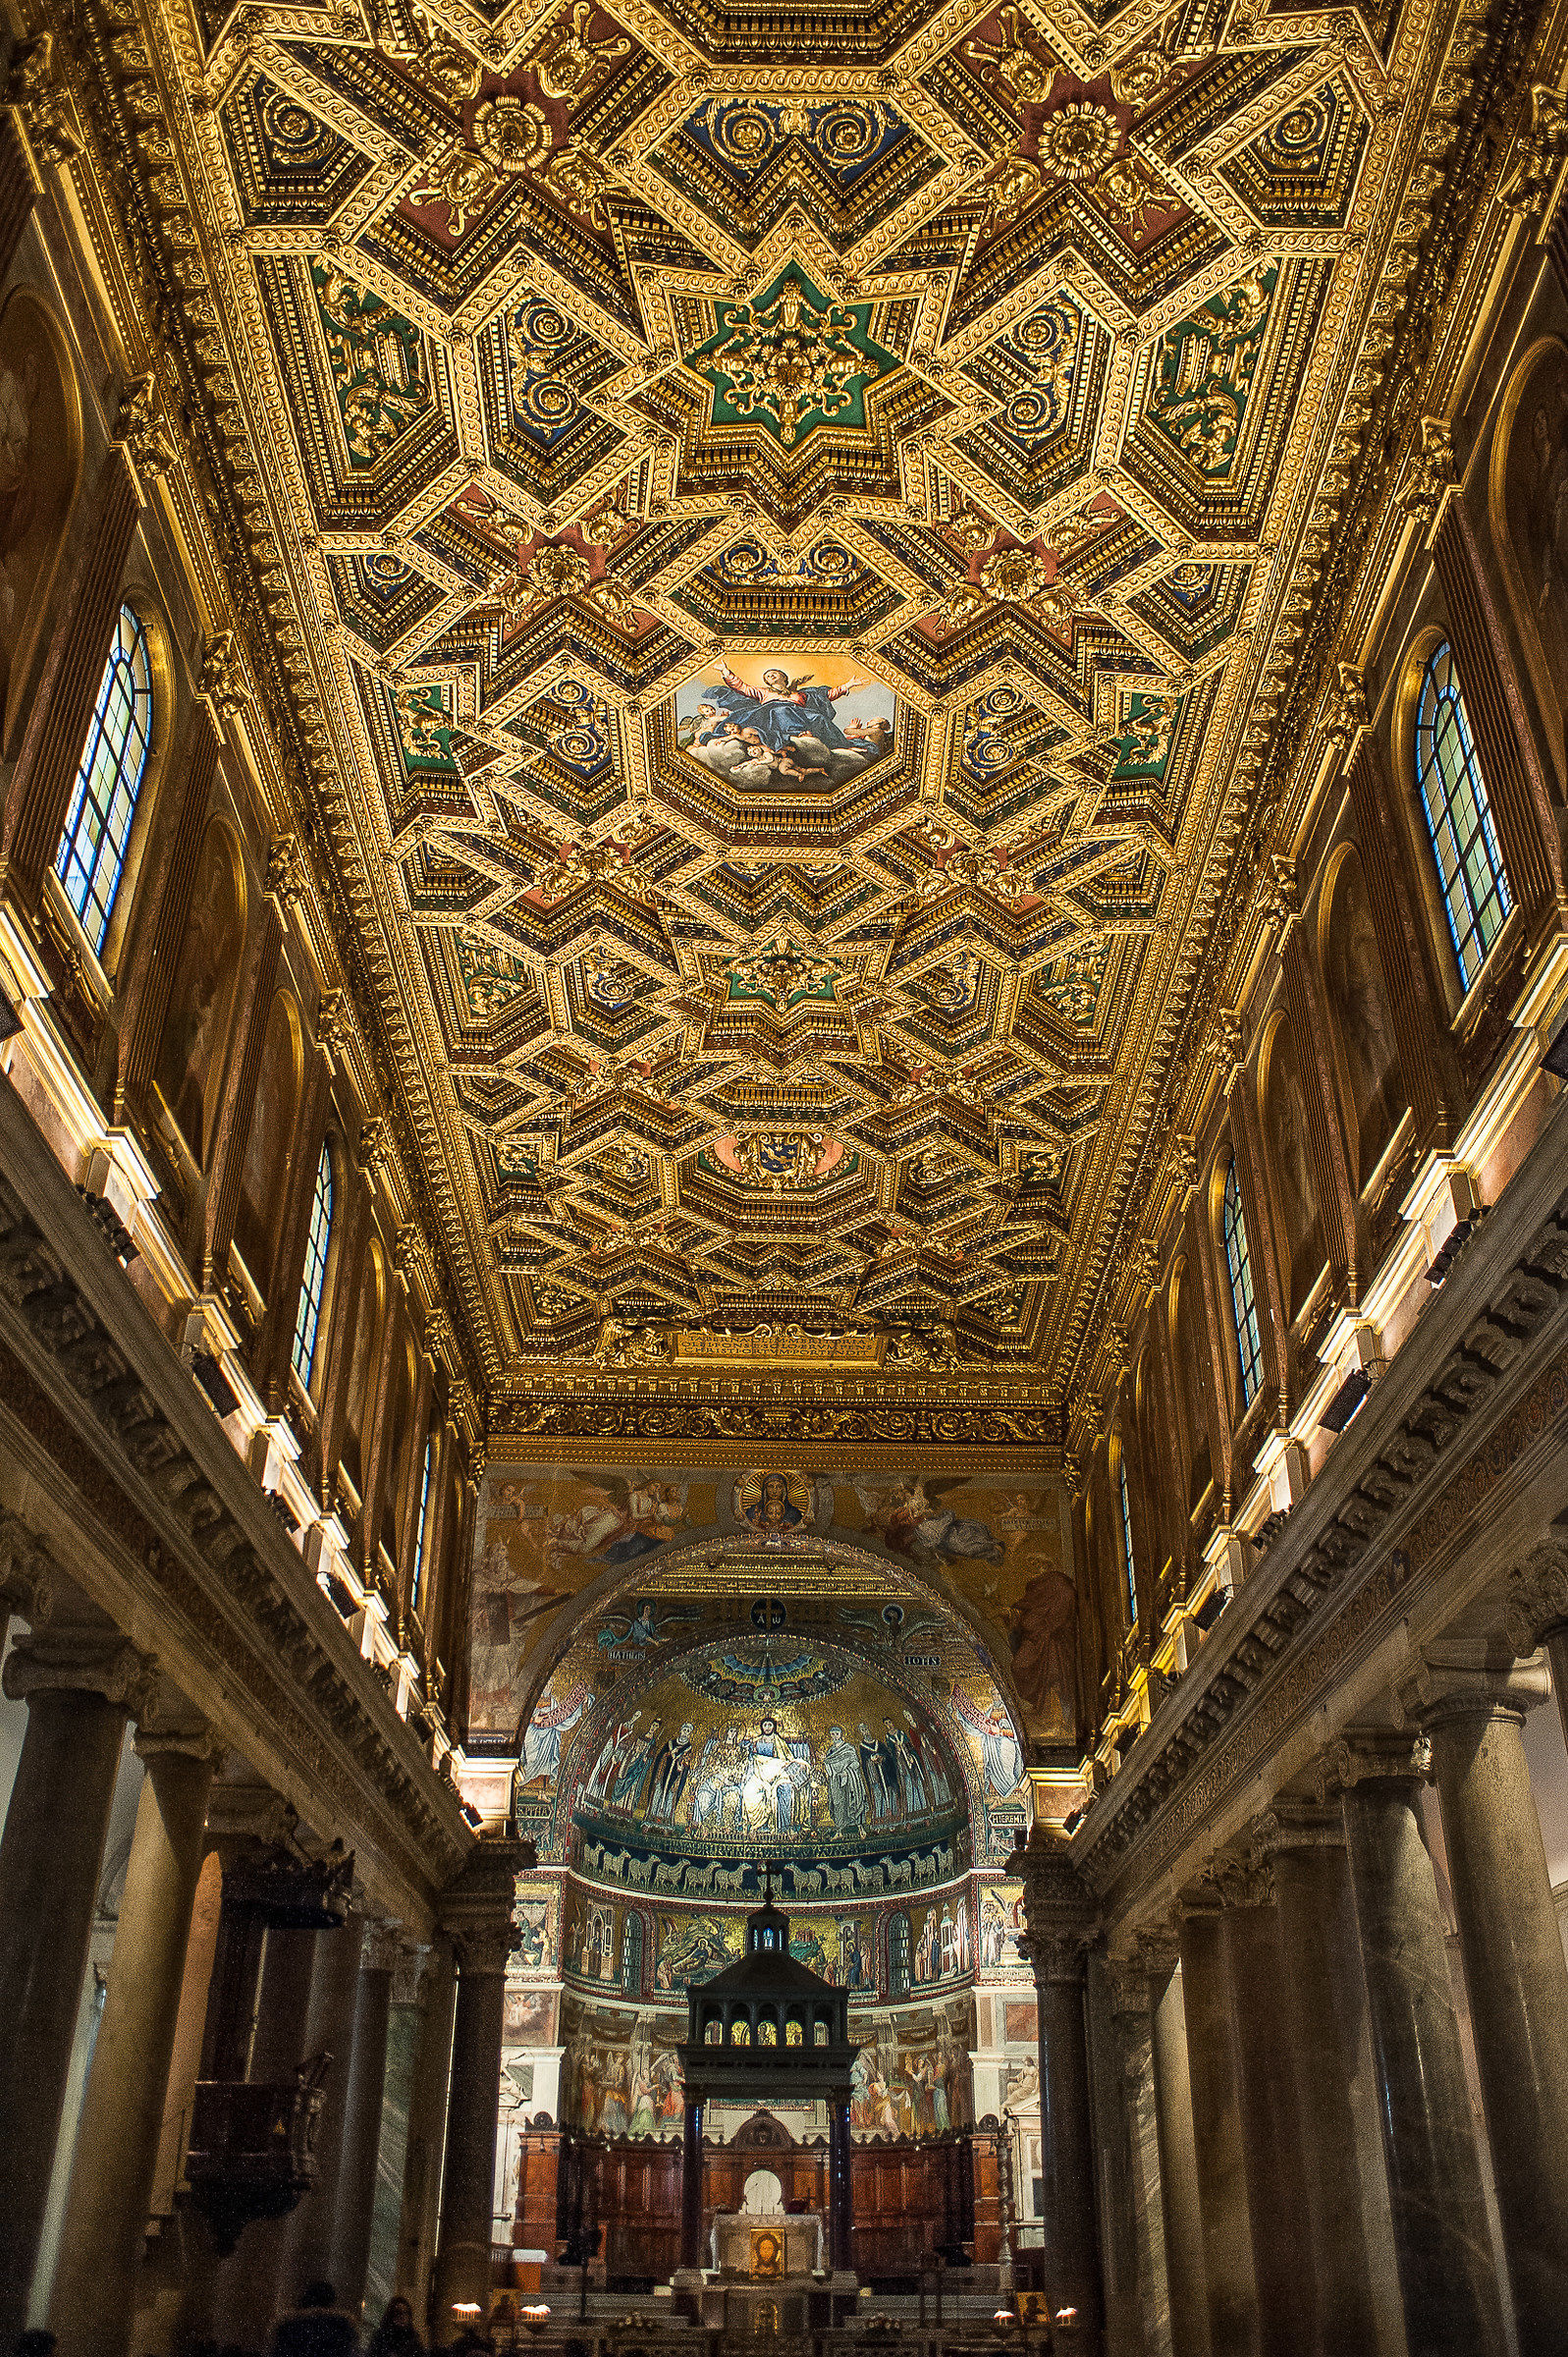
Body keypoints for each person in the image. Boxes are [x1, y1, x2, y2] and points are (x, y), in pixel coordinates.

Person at [270, 2281, 360, 2357]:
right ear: (332, 2301)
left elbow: (272, 2349)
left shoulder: (287, 2323)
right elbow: (353, 2350)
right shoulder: (344, 2324)